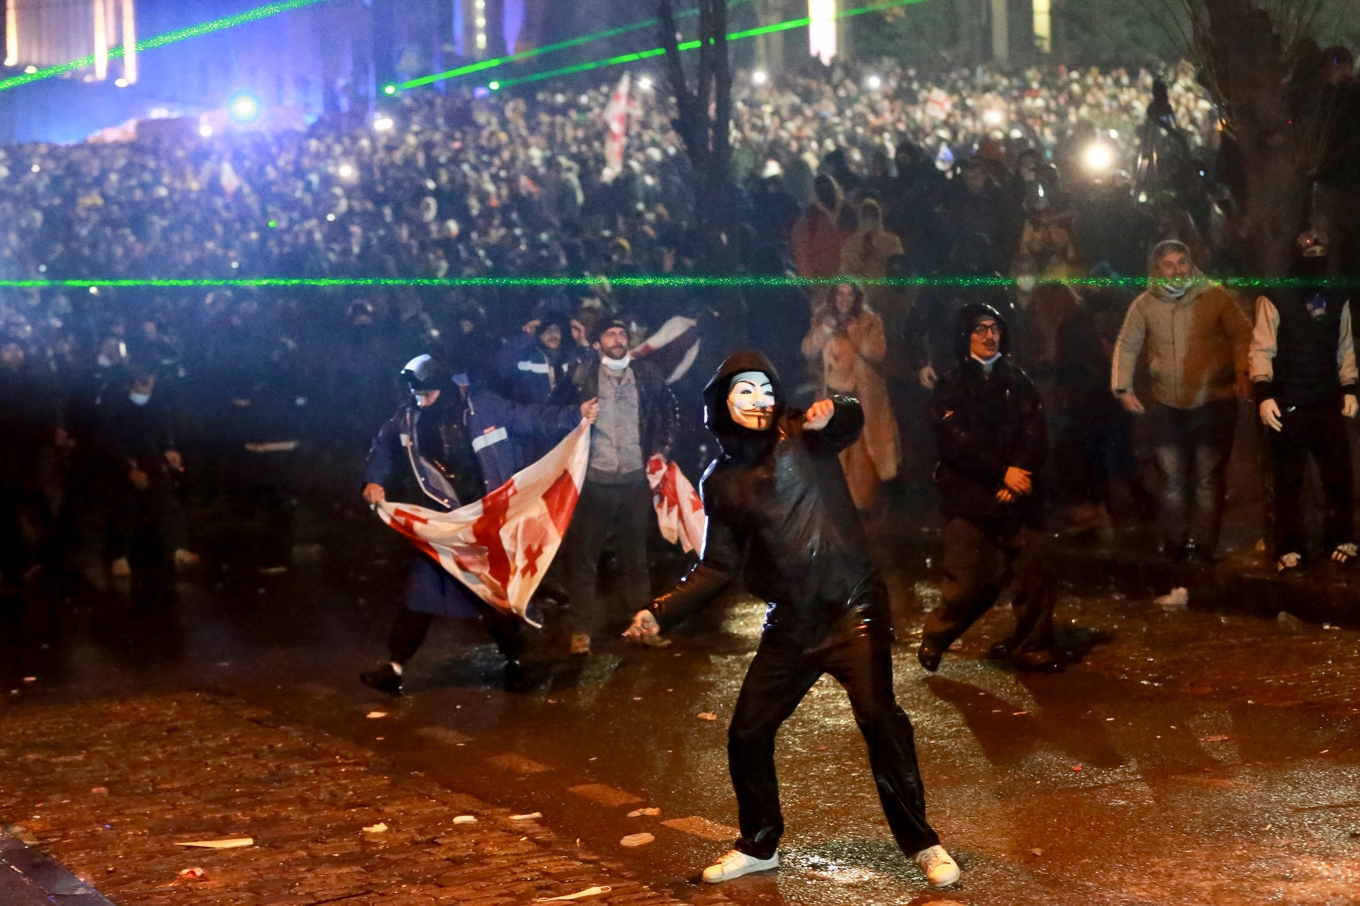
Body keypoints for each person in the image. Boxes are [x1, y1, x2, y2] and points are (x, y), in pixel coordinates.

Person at [624, 352, 959, 890]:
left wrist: (838, 410)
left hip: (853, 608)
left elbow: (848, 420)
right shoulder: (721, 480)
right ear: (722, 405)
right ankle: (758, 844)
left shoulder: (803, 433)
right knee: (748, 731)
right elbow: (717, 566)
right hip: (792, 623)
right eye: (744, 392)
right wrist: (659, 611)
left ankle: (923, 844)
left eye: (765, 389)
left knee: (879, 716)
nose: (758, 401)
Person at [359, 354, 592, 695]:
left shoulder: (482, 405)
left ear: (442, 386)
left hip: (488, 519)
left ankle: (516, 663)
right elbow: (381, 445)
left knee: (494, 595)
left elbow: (530, 418)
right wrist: (372, 480)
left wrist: (576, 415)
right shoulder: (408, 417)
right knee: (420, 592)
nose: (421, 400)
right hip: (445, 523)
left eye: (426, 394)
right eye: (416, 394)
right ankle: (394, 668)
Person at [917, 305, 1058, 673]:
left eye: (994, 328)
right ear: (966, 336)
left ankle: (1032, 645)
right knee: (970, 583)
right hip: (971, 497)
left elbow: (1035, 431)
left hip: (1019, 495)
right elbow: (957, 443)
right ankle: (937, 634)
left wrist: (1020, 474)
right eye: (980, 329)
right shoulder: (951, 386)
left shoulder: (1018, 380)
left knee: (1035, 569)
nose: (989, 335)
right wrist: (1001, 473)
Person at [1111, 239, 1252, 561]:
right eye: (1168, 265)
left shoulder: (1214, 297)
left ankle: (1204, 545)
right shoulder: (1145, 304)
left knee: (1206, 478)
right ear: (1157, 269)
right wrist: (1123, 387)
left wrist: (1243, 370)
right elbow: (1127, 343)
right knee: (1172, 480)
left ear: (1191, 264)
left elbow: (1242, 333)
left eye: (1182, 263)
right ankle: (1175, 543)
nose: (1176, 270)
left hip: (1213, 400)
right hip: (1167, 404)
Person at [552, 319, 678, 656]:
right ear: (597, 343)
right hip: (594, 481)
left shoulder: (646, 374)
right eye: (610, 334)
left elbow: (669, 411)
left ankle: (642, 625)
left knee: (635, 557)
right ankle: (581, 631)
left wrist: (662, 451)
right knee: (585, 558)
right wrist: (576, 415)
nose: (618, 339)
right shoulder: (581, 376)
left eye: (622, 334)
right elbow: (552, 414)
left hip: (634, 480)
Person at [1249, 229, 1358, 571]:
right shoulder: (1275, 296)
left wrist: (1349, 386)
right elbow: (1262, 348)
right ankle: (1288, 546)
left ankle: (1341, 538)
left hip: (1326, 400)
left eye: (1320, 254)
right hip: (1288, 403)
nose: (1315, 260)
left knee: (1339, 477)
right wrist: (1264, 394)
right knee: (1288, 482)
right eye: (1308, 255)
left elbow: (1345, 345)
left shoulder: (1337, 294)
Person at [801, 282, 898, 512]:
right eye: (840, 294)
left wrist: (853, 333)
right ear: (833, 296)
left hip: (860, 402)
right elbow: (808, 350)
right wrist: (825, 330)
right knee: (831, 456)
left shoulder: (870, 321)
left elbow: (877, 353)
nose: (844, 299)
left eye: (850, 294)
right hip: (831, 399)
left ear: (857, 297)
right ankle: (833, 505)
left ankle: (861, 507)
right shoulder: (822, 320)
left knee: (861, 460)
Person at [95, 366, 198, 577]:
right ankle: (118, 554)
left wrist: (169, 449)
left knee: (165, 498)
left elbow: (163, 430)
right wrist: (128, 468)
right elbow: (109, 440)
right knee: (126, 503)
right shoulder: (115, 404)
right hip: (119, 464)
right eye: (143, 384)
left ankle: (177, 548)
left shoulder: (158, 402)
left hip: (150, 459)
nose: (147, 389)